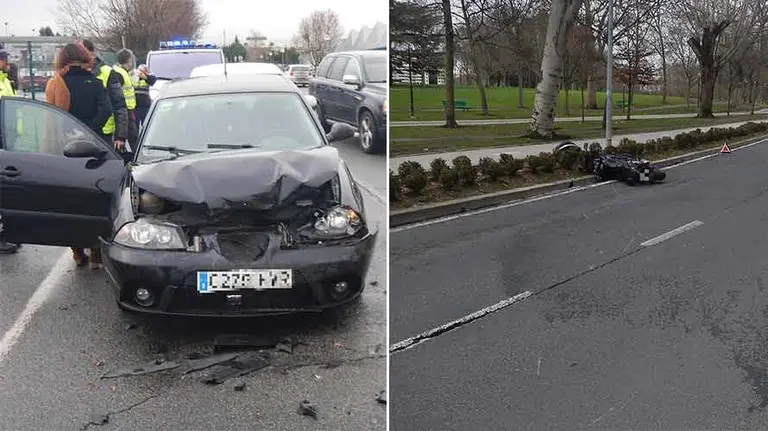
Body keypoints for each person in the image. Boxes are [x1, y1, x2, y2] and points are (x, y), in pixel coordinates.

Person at [44, 43, 112, 269]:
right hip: (93, 147)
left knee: (69, 200)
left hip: (65, 149)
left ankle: (76, 251)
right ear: (85, 58)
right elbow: (106, 110)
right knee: (93, 197)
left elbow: (51, 117)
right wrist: (89, 130)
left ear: (62, 59)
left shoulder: (56, 83)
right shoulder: (95, 82)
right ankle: (95, 252)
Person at [80, 40, 129, 152]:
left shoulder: (107, 72)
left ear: (92, 53)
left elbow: (119, 105)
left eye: (83, 52)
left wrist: (120, 137)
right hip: (82, 132)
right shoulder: (77, 73)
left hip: (105, 134)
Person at [0, 50, 21, 254]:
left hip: (8, 138)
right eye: (5, 61)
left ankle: (7, 233)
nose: (7, 64)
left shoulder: (6, 81)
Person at [112, 49, 139, 160]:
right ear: (127, 61)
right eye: (130, 61)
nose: (131, 64)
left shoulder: (123, 72)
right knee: (131, 138)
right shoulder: (119, 73)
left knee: (132, 137)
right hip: (124, 111)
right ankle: (136, 158)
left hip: (127, 110)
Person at [133, 64, 156, 129]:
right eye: (139, 71)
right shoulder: (133, 77)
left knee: (145, 125)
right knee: (135, 127)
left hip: (145, 106)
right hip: (135, 106)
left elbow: (153, 80)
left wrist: (145, 77)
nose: (139, 73)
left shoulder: (148, 78)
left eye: (142, 71)